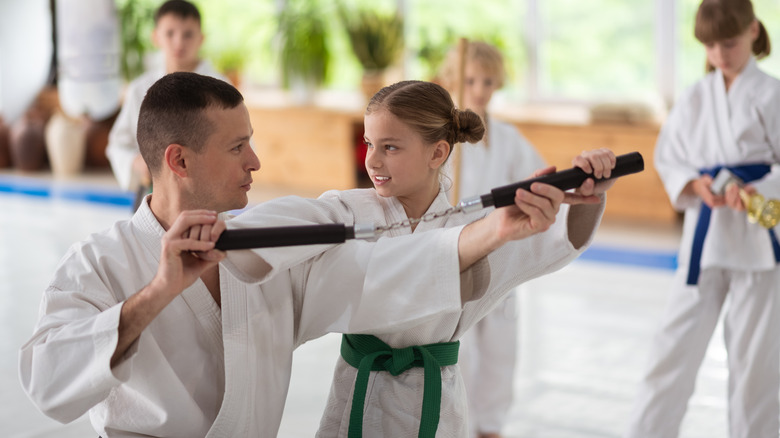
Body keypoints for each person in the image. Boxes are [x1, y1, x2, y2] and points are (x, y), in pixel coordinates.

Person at [18, 73, 590, 437]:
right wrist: (158, 292)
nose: (256, 163)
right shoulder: (98, 263)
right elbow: (47, 383)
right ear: (179, 160)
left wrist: (493, 232)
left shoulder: (261, 258)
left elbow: (380, 276)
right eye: (238, 147)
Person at [221, 80, 614, 437]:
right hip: (358, 395)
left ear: (437, 152)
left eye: (390, 147)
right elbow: (293, 219)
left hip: (435, 405)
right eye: (369, 143)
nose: (372, 161)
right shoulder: (348, 209)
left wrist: (592, 192)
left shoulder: (476, 228)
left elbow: (551, 245)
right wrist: (223, 234)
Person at [625, 1, 780, 437]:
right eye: (710, 46)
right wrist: (696, 185)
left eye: (728, 43)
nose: (719, 55)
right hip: (706, 241)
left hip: (759, 245)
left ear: (753, 31)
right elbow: (670, 158)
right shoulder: (696, 97)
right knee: (670, 352)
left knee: (757, 369)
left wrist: (759, 190)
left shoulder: (772, 94)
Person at [438, 40, 546, 438]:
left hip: (500, 254)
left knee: (501, 349)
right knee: (458, 349)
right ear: (453, 80)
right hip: (456, 253)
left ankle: (491, 427)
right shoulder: (442, 140)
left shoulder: (507, 138)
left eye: (487, 81)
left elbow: (537, 176)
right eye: (470, 80)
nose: (480, 89)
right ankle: (456, 425)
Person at [106, 0, 227, 192]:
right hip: (154, 192)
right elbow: (118, 144)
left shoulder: (221, 90)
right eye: (170, 33)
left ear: (201, 38)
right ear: (156, 37)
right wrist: (138, 163)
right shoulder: (140, 89)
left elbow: (238, 145)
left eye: (188, 34)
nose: (179, 42)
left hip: (206, 192)